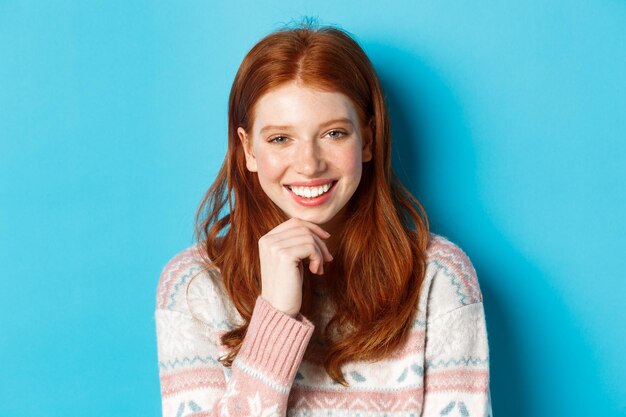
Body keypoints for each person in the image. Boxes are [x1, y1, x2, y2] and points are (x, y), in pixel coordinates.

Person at [155, 23, 492, 417]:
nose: (310, 164)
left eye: (333, 133)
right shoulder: (193, 286)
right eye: (281, 138)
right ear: (247, 149)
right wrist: (276, 318)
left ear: (367, 140)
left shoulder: (440, 277)